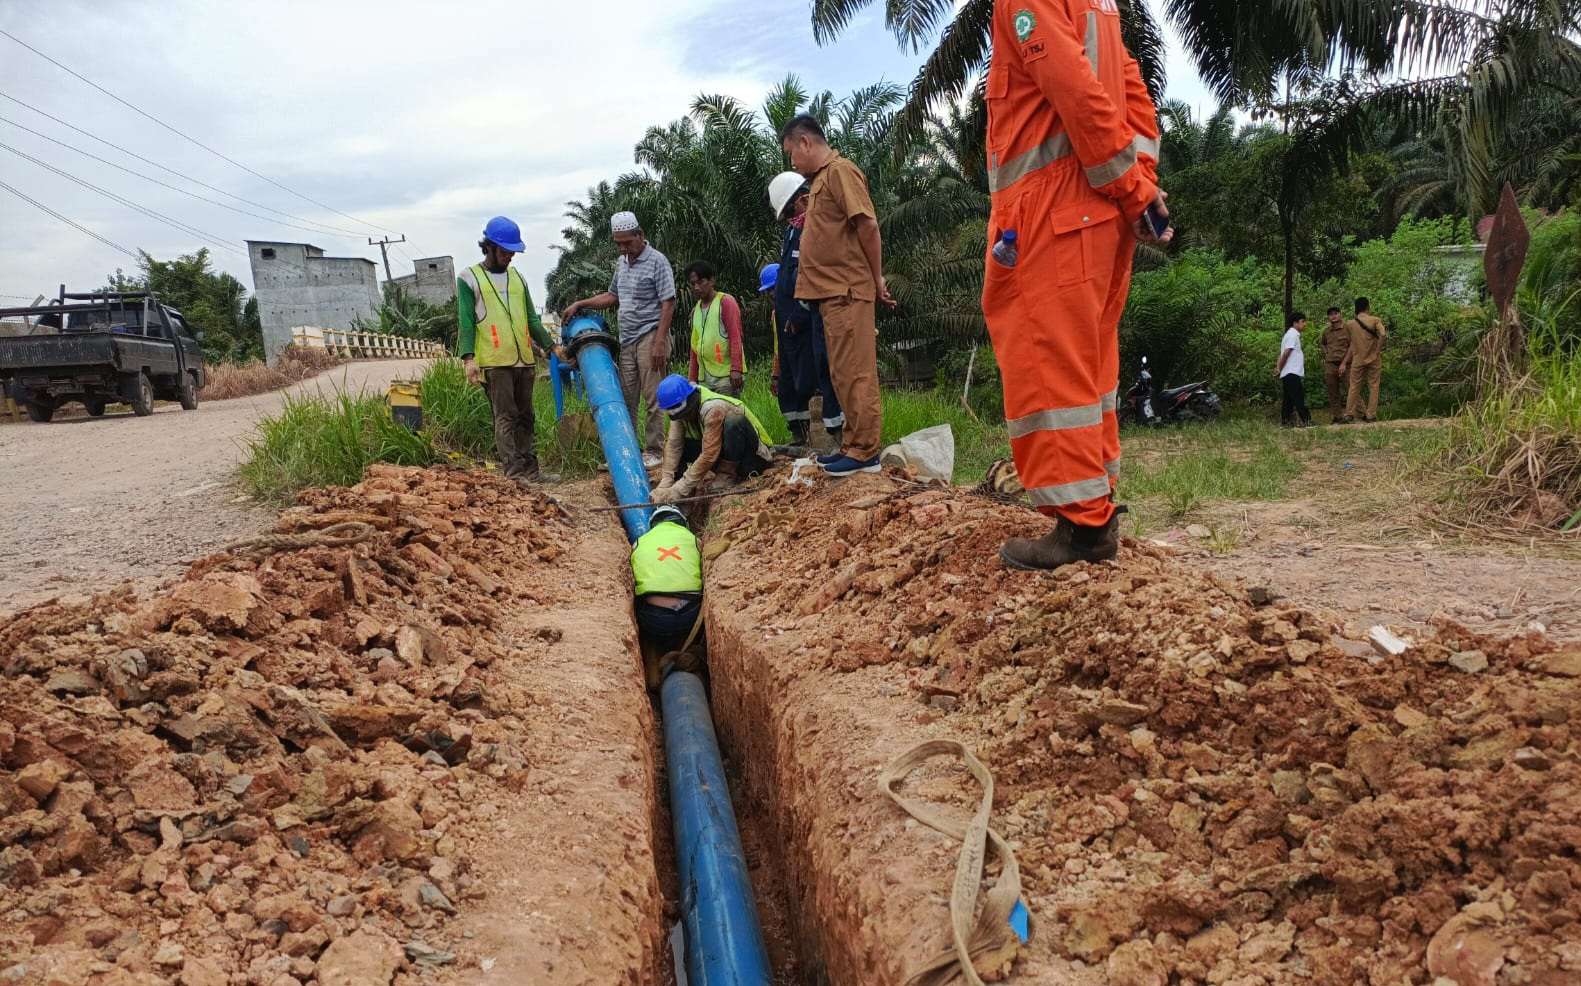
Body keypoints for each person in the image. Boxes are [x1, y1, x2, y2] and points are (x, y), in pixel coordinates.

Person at [981, 0, 1171, 571]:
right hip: (1098, 210)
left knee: (1049, 363)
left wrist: (1136, 192)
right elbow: (1131, 94)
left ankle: (1082, 529)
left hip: (1050, 209)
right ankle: (1091, 508)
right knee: (1089, 365)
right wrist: (1139, 189)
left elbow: (1073, 89)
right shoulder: (1099, 5)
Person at [780, 114, 890, 477]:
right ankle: (852, 445)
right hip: (831, 295)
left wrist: (876, 279)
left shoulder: (841, 171)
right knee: (842, 373)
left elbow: (867, 224)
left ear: (805, 142)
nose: (793, 163)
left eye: (792, 154)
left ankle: (865, 451)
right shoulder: (823, 179)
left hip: (847, 290)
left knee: (856, 372)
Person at [561, 212, 676, 466]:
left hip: (650, 335)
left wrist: (659, 342)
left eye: (627, 242)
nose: (623, 248)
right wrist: (581, 303)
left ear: (640, 234)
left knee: (653, 396)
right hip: (628, 340)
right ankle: (626, 450)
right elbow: (612, 296)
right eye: (618, 244)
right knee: (626, 397)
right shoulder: (622, 263)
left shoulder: (657, 261)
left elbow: (668, 302)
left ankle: (655, 451)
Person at [457, 216, 560, 485]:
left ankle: (531, 471)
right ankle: (514, 475)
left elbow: (532, 318)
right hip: (495, 361)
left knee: (527, 416)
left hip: (524, 360)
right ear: (489, 247)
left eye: (513, 251)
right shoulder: (469, 278)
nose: (510, 256)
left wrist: (551, 347)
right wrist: (468, 358)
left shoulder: (518, 278)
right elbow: (466, 322)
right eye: (505, 251)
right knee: (505, 417)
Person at [766, 171, 844, 452]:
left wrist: (800, 312)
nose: (789, 216)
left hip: (809, 317)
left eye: (791, 209)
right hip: (791, 319)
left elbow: (809, 276)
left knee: (820, 373)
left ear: (804, 198)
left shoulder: (816, 228)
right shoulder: (793, 229)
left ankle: (836, 439)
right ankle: (802, 437)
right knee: (792, 380)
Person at [651, 374, 772, 505]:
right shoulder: (680, 408)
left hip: (753, 459)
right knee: (681, 447)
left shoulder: (712, 408)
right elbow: (674, 445)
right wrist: (665, 484)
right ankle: (678, 498)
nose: (683, 418)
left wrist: (680, 489)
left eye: (684, 415)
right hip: (727, 453)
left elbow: (709, 454)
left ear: (689, 402)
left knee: (734, 421)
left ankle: (726, 476)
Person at [631, 505, 703, 656]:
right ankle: (686, 652)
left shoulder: (638, 543)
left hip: (654, 617)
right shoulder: (695, 540)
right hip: (690, 613)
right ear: (682, 523)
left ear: (653, 524)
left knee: (642, 618)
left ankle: (653, 657)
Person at [683, 261, 744, 396]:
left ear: (712, 281)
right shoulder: (696, 311)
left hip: (726, 377)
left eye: (701, 282)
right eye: (693, 284)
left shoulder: (726, 302)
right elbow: (695, 347)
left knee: (726, 414)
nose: (697, 287)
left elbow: (736, 337)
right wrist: (692, 379)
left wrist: (736, 369)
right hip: (704, 379)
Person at [1340, 296, 1387, 423]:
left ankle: (1349, 414)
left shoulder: (1350, 324)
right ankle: (1370, 415)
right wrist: (1377, 350)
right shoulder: (1375, 320)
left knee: (1354, 386)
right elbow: (1382, 334)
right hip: (1374, 358)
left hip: (1358, 359)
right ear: (1368, 307)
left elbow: (1349, 342)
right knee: (1374, 386)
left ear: (1356, 309)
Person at [1277, 313, 1312, 427]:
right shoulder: (1292, 335)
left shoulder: (1289, 335)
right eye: (1302, 321)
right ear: (1295, 323)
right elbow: (1286, 353)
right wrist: (1279, 368)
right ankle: (1306, 420)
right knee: (1298, 397)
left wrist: (1279, 368)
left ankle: (1285, 422)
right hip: (1291, 371)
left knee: (1288, 399)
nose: (1305, 324)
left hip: (1288, 372)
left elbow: (1281, 354)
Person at [1321, 306, 1351, 422]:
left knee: (1351, 389)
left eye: (1335, 313)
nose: (1333, 316)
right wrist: (1326, 353)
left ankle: (1362, 414)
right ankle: (1337, 416)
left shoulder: (1347, 328)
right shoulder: (1327, 331)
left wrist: (1344, 363)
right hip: (1330, 364)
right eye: (1330, 314)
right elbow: (1323, 344)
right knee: (1332, 390)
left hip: (1345, 364)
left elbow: (1352, 347)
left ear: (1340, 314)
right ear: (1328, 317)